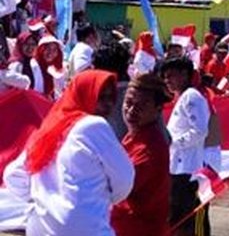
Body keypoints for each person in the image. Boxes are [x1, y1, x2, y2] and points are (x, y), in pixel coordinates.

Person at [4, 70, 135, 236]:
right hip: (88, 229)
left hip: (41, 228)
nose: (108, 104)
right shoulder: (93, 125)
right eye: (101, 97)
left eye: (111, 98)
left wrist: (45, 201)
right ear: (83, 95)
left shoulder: (49, 129)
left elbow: (13, 176)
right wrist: (100, 198)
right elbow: (125, 179)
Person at [111, 74, 172, 236]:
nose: (131, 111)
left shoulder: (149, 148)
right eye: (128, 103)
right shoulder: (134, 136)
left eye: (141, 105)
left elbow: (115, 189)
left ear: (158, 108)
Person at [160, 56, 210, 236]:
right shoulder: (181, 98)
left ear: (184, 74)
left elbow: (199, 131)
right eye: (165, 77)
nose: (167, 81)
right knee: (179, 218)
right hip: (178, 167)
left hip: (188, 170)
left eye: (170, 76)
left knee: (192, 217)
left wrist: (173, 142)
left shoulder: (191, 97)